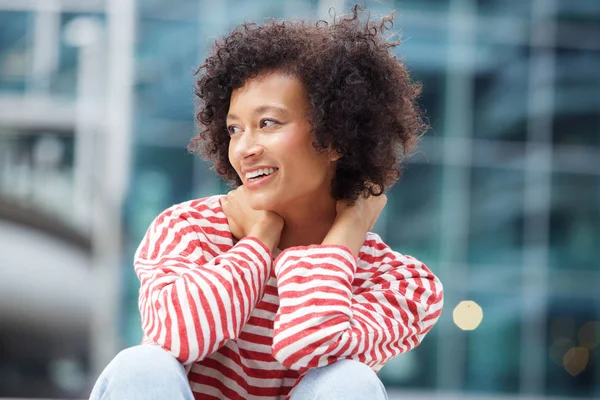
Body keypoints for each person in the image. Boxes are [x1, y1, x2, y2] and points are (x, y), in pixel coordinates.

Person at [90, 5, 444, 400]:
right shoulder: (187, 228)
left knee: (351, 382)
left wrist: (345, 236)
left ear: (335, 138)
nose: (244, 149)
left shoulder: (402, 284)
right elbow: (175, 337)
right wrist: (258, 241)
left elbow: (307, 344)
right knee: (141, 366)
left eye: (268, 123)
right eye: (234, 129)